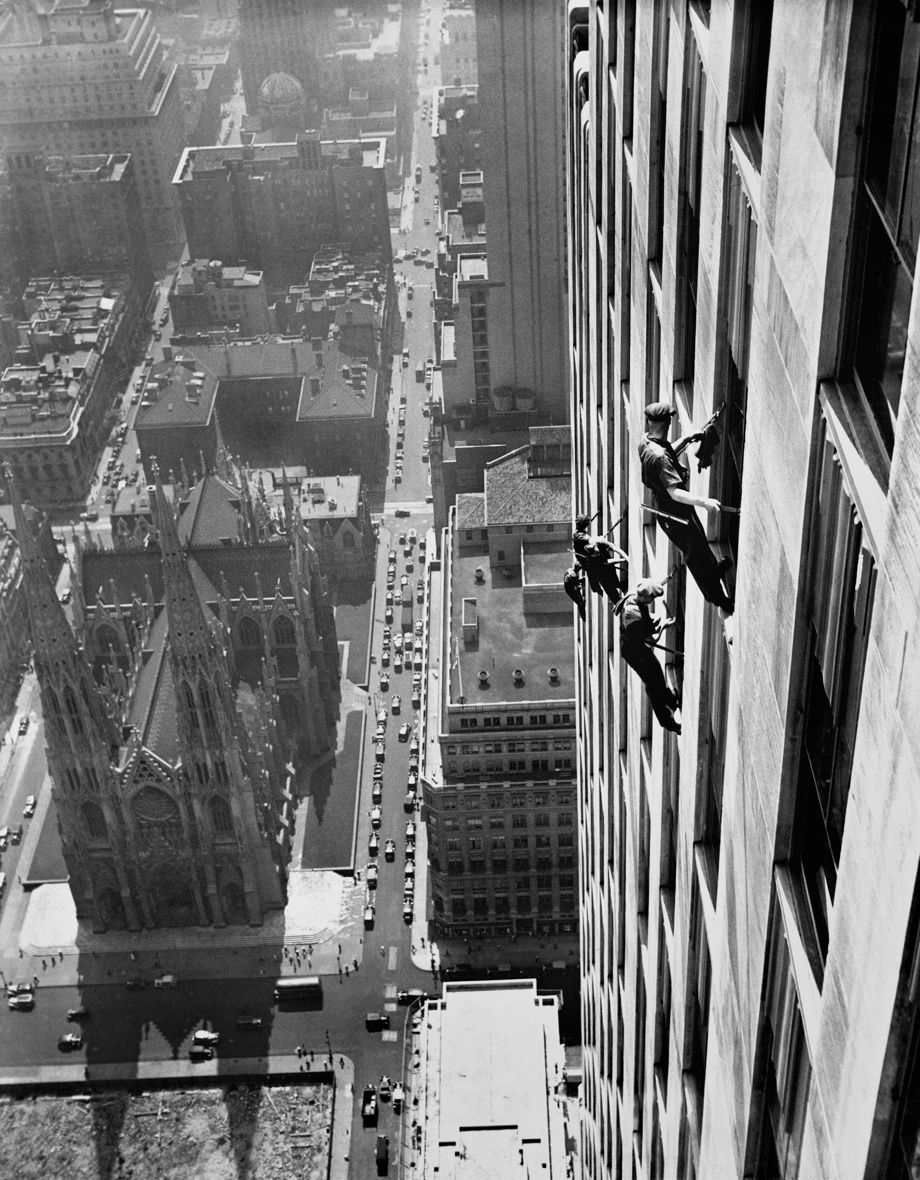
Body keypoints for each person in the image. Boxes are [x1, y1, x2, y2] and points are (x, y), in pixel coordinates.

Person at [638, 402, 733, 613]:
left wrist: (688, 439)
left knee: (700, 542)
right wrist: (705, 502)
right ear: (667, 423)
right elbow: (675, 492)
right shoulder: (659, 456)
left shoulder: (646, 442)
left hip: (672, 510)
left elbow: (668, 452)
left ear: (650, 422)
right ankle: (716, 598)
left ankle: (715, 571)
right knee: (696, 555)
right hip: (675, 513)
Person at [617, 579, 681, 733]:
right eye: (651, 598)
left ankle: (671, 700)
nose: (652, 601)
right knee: (653, 684)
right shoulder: (633, 614)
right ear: (644, 598)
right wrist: (663, 626)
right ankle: (667, 722)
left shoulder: (634, 595)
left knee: (657, 674)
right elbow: (651, 641)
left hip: (636, 646)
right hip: (634, 652)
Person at [572, 515, 628, 602]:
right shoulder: (579, 536)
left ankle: (618, 585)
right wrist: (623, 560)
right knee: (604, 581)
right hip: (590, 563)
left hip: (597, 556)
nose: (596, 553)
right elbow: (607, 562)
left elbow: (615, 549)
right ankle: (616, 600)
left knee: (611, 573)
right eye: (595, 553)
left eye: (597, 552)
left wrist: (627, 558)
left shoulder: (601, 543)